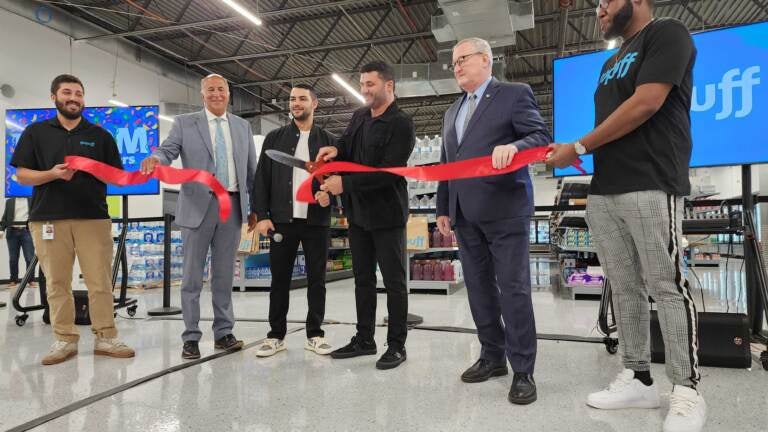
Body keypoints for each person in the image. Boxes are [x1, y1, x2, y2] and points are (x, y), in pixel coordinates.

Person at [547, 1, 704, 431]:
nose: (598, 10)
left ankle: (686, 389)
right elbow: (612, 121)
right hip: (605, 189)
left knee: (666, 286)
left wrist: (578, 147)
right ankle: (637, 375)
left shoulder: (668, 33)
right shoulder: (612, 60)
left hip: (652, 181)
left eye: (605, 2)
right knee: (624, 286)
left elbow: (647, 103)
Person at [435, 38, 550, 404]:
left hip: (505, 209)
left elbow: (541, 138)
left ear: (485, 60)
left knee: (513, 289)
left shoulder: (514, 94)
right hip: (465, 215)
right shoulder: (451, 112)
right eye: (453, 62)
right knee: (479, 289)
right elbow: (446, 166)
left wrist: (515, 147)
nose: (456, 66)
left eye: (462, 59)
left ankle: (523, 370)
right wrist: (443, 208)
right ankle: (491, 356)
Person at [11, 74, 135, 365]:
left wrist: (94, 168)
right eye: (67, 92)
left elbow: (117, 178)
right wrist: (52, 174)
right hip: (48, 219)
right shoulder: (35, 133)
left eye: (79, 93)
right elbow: (21, 174)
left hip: (93, 218)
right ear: (54, 97)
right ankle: (64, 340)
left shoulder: (100, 135)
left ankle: (106, 337)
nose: (74, 98)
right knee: (56, 283)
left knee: (100, 281)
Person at [141, 74, 258, 360]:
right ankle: (191, 337)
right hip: (197, 207)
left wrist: (255, 207)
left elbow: (251, 171)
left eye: (221, 89)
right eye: (211, 90)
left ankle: (223, 333)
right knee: (192, 277)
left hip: (231, 207)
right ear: (202, 94)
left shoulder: (242, 126)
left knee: (223, 275)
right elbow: (168, 149)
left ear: (229, 94)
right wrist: (156, 159)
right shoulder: (185, 123)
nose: (216, 94)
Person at [316, 61, 415, 370]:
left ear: (389, 86)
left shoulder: (401, 124)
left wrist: (343, 183)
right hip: (358, 214)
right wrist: (334, 152)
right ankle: (365, 338)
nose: (364, 90)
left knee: (394, 281)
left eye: (370, 85)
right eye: (361, 85)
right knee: (362, 280)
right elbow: (346, 147)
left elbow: (388, 172)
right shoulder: (360, 116)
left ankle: (397, 345)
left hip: (387, 213)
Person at [252, 84, 336, 357]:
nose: (296, 103)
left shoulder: (328, 141)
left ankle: (315, 333)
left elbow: (338, 181)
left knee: (317, 280)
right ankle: (276, 335)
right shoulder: (274, 139)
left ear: (315, 104)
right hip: (282, 221)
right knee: (279, 281)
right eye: (292, 99)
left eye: (302, 99)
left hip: (316, 221)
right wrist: (262, 216)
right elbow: (261, 179)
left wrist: (330, 198)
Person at [0, 197, 36, 288]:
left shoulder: (31, 200)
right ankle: (13, 280)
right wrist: (1, 231)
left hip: (27, 232)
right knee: (13, 258)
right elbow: (5, 218)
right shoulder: (10, 202)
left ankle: (31, 280)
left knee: (29, 258)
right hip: (12, 232)